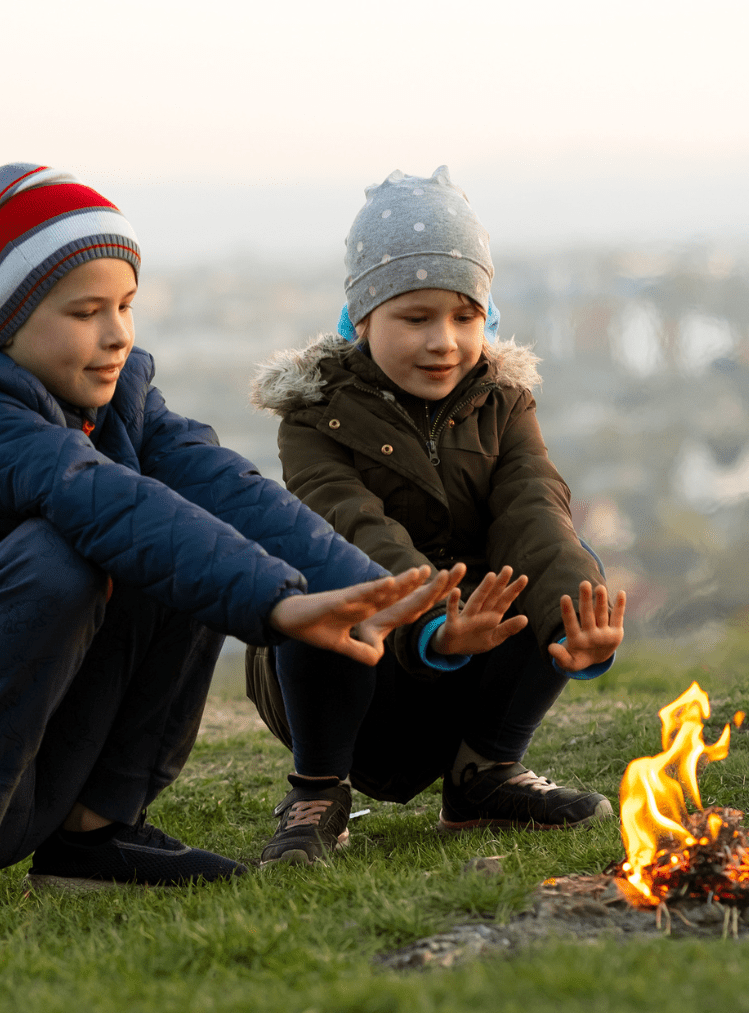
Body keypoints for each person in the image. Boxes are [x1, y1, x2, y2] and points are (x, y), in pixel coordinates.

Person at [0, 163, 463, 891]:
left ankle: (94, 835)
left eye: (126, 305)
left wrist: (369, 592)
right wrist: (273, 601)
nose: (118, 334)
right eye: (86, 312)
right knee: (61, 558)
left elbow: (228, 489)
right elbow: (98, 496)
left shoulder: (124, 403)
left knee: (184, 536)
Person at [247, 166, 627, 865]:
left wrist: (577, 617)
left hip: (467, 658)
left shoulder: (504, 402)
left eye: (465, 315)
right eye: (414, 317)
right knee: (315, 573)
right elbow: (351, 524)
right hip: (360, 687)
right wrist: (431, 619)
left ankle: (484, 774)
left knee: (557, 570)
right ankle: (318, 791)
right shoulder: (312, 413)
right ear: (363, 318)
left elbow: (533, 508)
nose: (443, 341)